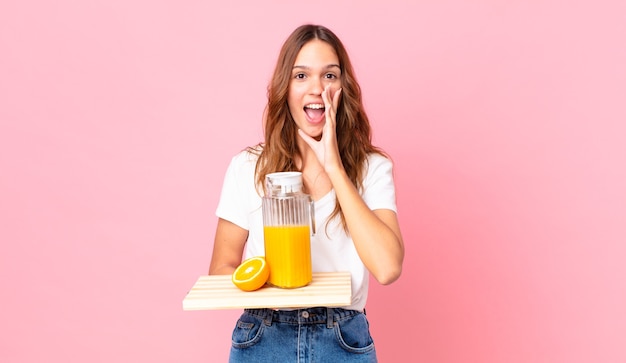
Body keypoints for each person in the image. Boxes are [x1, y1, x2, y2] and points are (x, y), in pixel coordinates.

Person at [209, 24, 404, 362]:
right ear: (285, 88)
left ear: (343, 87)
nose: (317, 88)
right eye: (301, 76)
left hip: (342, 340)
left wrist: (335, 168)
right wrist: (273, 287)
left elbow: (387, 268)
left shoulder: (372, 167)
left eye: (330, 76)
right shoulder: (247, 167)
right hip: (263, 336)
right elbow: (223, 268)